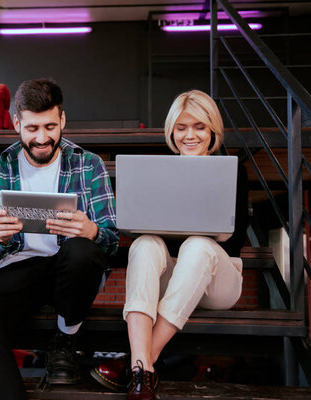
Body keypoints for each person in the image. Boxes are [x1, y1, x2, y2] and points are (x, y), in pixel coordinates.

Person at [0, 78, 120, 400]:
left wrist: (92, 231)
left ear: (62, 119)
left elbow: (111, 242)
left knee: (81, 251)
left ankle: (65, 337)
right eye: (32, 128)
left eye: (50, 125)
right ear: (16, 122)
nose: (42, 138)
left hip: (69, 271)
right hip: (17, 269)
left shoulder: (89, 164)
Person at [91, 89, 249, 400]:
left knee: (197, 245)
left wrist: (202, 229)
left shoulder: (232, 171)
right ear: (172, 131)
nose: (190, 135)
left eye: (199, 127)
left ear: (212, 130)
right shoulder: (158, 173)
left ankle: (139, 362)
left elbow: (236, 241)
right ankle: (142, 370)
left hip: (219, 280)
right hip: (172, 280)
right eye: (182, 127)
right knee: (146, 243)